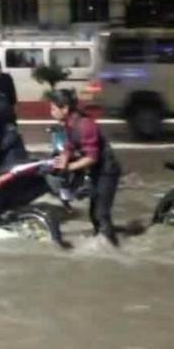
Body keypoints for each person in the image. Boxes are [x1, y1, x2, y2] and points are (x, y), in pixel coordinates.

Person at [48, 89, 122, 246]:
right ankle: (101, 242)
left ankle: (114, 247)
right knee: (93, 213)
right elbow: (69, 144)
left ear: (65, 109)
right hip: (97, 170)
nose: (51, 112)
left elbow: (91, 157)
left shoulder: (85, 125)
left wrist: (70, 167)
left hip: (107, 171)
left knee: (101, 213)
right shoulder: (69, 123)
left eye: (54, 108)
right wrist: (64, 158)